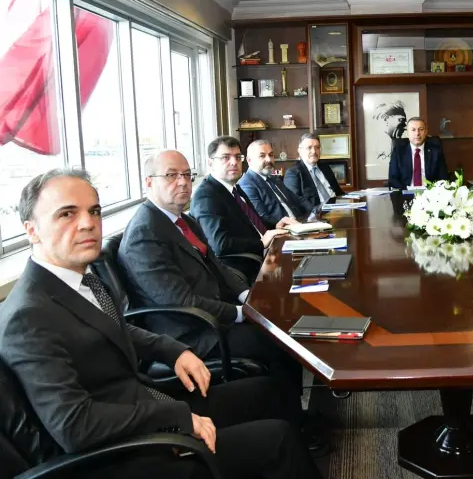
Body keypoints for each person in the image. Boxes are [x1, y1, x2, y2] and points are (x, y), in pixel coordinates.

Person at [0, 169, 321, 479]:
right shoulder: (27, 318)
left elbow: (114, 329)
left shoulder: (77, 280)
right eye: (67, 214)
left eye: (94, 211)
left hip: (144, 404)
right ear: (32, 230)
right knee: (278, 440)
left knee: (265, 392)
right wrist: (177, 417)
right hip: (122, 453)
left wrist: (172, 350)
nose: (88, 223)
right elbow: (75, 426)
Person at [118, 150, 308, 412]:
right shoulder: (144, 234)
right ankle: (292, 416)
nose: (183, 182)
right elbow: (181, 302)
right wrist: (242, 313)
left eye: (187, 175)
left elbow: (218, 267)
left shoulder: (183, 221)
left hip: (212, 315)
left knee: (281, 322)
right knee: (276, 339)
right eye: (171, 175)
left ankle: (294, 410)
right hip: (192, 333)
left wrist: (247, 296)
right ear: (149, 182)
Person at [190, 136, 294, 284]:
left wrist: (275, 225)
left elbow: (252, 222)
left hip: (266, 253)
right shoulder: (206, 195)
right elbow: (220, 244)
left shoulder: (234, 188)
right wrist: (261, 242)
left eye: (238, 157)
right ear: (211, 163)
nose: (234, 162)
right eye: (226, 157)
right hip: (245, 265)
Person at [238, 139, 307, 224]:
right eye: (262, 156)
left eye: (271, 155)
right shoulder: (246, 184)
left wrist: (316, 210)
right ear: (249, 160)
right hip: (281, 229)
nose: (269, 159)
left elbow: (297, 199)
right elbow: (261, 217)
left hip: (300, 222)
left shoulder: (273, 178)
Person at [284, 133, 346, 213]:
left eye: (317, 147)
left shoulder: (325, 167)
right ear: (300, 151)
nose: (314, 151)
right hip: (316, 214)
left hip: (337, 210)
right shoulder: (293, 173)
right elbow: (295, 202)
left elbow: (339, 192)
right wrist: (316, 212)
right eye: (309, 148)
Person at [387, 117, 449, 189]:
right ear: (407, 133)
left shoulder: (436, 151)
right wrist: (407, 190)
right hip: (406, 192)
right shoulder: (398, 151)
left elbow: (443, 178)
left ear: (425, 132)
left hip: (429, 192)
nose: (417, 133)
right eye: (413, 130)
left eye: (421, 129)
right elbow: (393, 179)